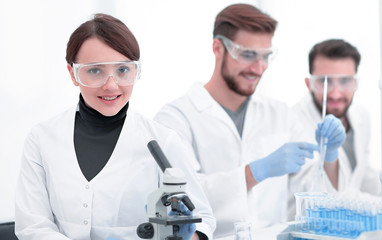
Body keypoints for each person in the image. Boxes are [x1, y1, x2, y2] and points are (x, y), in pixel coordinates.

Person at [14, 13, 215, 240]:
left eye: (122, 70)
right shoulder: (42, 138)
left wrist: (185, 236)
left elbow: (202, 219)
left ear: (135, 71)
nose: (111, 85)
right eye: (95, 70)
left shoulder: (164, 141)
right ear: (73, 74)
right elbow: (32, 227)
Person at [154, 4, 345, 238]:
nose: (259, 68)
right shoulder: (175, 119)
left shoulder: (282, 115)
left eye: (266, 57)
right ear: (218, 48)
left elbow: (312, 198)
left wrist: (330, 156)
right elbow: (179, 198)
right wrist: (254, 172)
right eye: (248, 55)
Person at [288, 39, 381, 219]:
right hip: (311, 229)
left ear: (356, 83)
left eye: (345, 81)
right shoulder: (293, 122)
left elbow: (362, 175)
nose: (335, 93)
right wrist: (329, 154)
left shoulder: (361, 116)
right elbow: (314, 195)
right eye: (325, 82)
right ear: (309, 84)